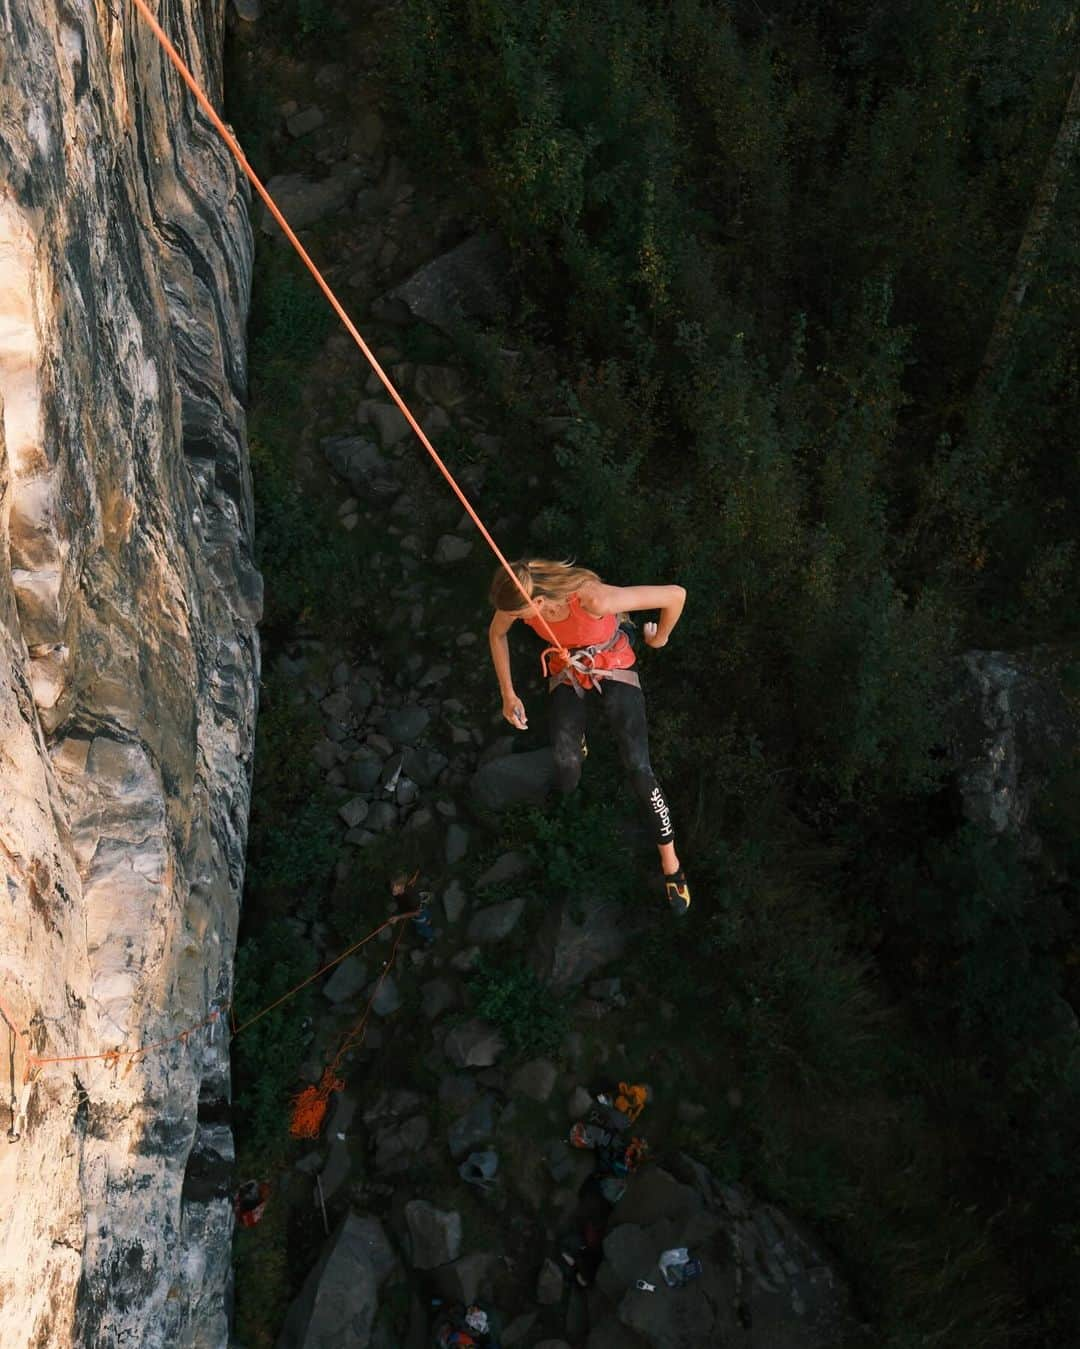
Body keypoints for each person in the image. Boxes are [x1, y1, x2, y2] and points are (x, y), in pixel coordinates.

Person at [487, 558, 690, 912]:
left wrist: (659, 639)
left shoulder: (592, 599)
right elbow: (496, 632)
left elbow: (675, 594)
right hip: (567, 668)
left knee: (638, 767)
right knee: (566, 764)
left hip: (612, 663)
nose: (518, 620)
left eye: (522, 615)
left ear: (537, 602)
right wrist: (508, 693)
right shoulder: (520, 589)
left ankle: (671, 864)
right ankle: (573, 775)